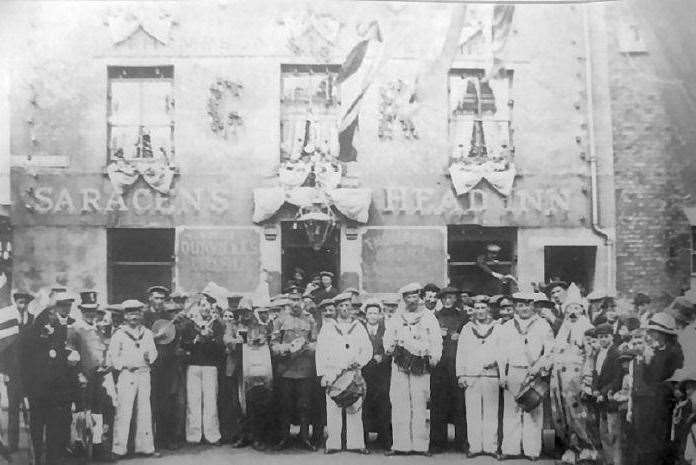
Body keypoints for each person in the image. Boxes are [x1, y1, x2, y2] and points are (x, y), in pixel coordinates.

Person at [20, 291, 81, 465]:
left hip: (55, 391)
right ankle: (37, 458)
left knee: (54, 428)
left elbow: (61, 360)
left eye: (53, 313)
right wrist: (25, 393)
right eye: (49, 313)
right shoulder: (28, 335)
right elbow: (24, 367)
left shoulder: (59, 332)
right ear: (40, 316)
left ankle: (53, 459)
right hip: (36, 392)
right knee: (37, 429)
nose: (53, 316)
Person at [383, 282, 442, 456]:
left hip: (420, 364)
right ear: (404, 299)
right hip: (400, 364)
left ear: (419, 297)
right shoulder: (397, 317)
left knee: (420, 403)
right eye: (408, 297)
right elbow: (388, 338)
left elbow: (436, 340)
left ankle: (421, 446)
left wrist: (434, 358)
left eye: (415, 296)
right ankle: (400, 445)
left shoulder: (429, 317)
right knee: (400, 402)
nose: (412, 300)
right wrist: (390, 347)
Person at [496, 291, 554, 460]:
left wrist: (539, 367)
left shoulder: (543, 325)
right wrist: (502, 374)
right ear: (515, 307)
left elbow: (550, 350)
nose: (524, 308)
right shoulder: (506, 326)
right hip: (513, 371)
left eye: (528, 305)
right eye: (520, 305)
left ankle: (532, 450)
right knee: (511, 411)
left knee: (533, 411)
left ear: (533, 306)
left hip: (533, 372)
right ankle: (511, 449)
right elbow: (500, 352)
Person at [316, 292, 372, 454]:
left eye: (347, 305)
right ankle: (333, 444)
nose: (345, 309)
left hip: (353, 372)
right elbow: (321, 351)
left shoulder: (359, 327)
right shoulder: (328, 327)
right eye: (341, 306)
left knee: (354, 406)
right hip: (333, 372)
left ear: (352, 308)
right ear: (336, 308)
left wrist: (360, 361)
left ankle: (356, 444)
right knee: (333, 407)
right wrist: (324, 374)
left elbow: (367, 349)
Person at [67, 291, 117, 461]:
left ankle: (96, 447)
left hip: (98, 377)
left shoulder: (98, 329)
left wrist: (106, 366)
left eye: (93, 310)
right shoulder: (74, 329)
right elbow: (71, 356)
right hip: (81, 378)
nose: (90, 313)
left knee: (97, 409)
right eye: (87, 310)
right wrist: (79, 374)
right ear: (81, 310)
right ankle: (79, 446)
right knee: (81, 411)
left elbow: (102, 351)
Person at [632, 312, 684, 465]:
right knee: (649, 441)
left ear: (663, 334)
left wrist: (659, 389)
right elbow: (649, 379)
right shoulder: (656, 351)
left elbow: (671, 379)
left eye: (653, 332)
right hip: (653, 403)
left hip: (665, 403)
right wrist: (647, 360)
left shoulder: (674, 352)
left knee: (662, 442)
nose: (650, 335)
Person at [108, 300, 158, 458]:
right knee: (124, 411)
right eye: (130, 313)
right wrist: (124, 364)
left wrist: (150, 356)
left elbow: (154, 353)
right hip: (127, 375)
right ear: (124, 315)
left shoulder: (147, 333)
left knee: (144, 410)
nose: (133, 316)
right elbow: (113, 357)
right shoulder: (119, 334)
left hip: (143, 373)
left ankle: (145, 447)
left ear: (141, 314)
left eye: (136, 312)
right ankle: (119, 449)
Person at [271, 293, 318, 450]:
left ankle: (305, 438)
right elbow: (274, 344)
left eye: (298, 300)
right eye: (292, 300)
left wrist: (307, 346)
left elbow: (316, 342)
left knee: (304, 405)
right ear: (287, 302)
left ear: (303, 301)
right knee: (285, 405)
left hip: (305, 369)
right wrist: (286, 348)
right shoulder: (280, 319)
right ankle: (284, 438)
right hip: (286, 369)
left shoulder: (310, 319)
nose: (295, 303)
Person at [456, 293, 500, 458]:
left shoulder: (498, 327)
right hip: (472, 375)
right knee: (473, 412)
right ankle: (474, 447)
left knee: (491, 412)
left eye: (483, 307)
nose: (480, 311)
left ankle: (491, 447)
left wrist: (495, 363)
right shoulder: (467, 328)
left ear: (488, 309)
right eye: (477, 308)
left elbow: (502, 351)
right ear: (472, 310)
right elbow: (461, 353)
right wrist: (461, 374)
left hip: (491, 374)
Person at [181, 293, 225, 445]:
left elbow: (221, 347)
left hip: (210, 366)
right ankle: (193, 436)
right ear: (198, 307)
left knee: (211, 400)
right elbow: (184, 344)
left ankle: (212, 435)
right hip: (193, 366)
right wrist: (196, 340)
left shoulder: (217, 324)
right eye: (202, 305)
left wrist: (211, 338)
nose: (205, 309)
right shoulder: (189, 324)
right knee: (193, 400)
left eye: (208, 305)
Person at [430, 287, 468, 453]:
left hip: (457, 365)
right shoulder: (434, 317)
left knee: (459, 404)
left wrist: (459, 337)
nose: (447, 300)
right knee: (438, 404)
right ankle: (438, 443)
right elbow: (428, 336)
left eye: (451, 297)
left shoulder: (464, 317)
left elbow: (469, 339)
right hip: (439, 368)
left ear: (456, 299)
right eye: (444, 297)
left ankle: (461, 442)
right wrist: (438, 333)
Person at [3, 290, 34, 453]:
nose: (22, 306)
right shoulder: (9, 322)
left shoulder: (33, 320)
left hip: (29, 373)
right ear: (16, 303)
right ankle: (13, 445)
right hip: (13, 373)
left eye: (25, 303)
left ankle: (33, 444)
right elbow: (3, 349)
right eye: (20, 302)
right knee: (14, 409)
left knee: (31, 408)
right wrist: (5, 371)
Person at [361, 299, 391, 449]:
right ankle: (363, 438)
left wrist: (383, 357)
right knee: (365, 403)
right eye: (370, 313)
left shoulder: (386, 329)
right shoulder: (360, 328)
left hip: (382, 372)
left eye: (375, 313)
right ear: (365, 315)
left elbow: (391, 346)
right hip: (365, 371)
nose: (373, 316)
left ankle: (385, 439)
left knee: (383, 404)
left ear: (380, 315)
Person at [593, 323, 623, 465]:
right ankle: (608, 460)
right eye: (600, 337)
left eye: (606, 336)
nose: (603, 339)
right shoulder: (599, 353)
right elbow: (595, 373)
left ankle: (616, 461)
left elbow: (617, 378)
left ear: (612, 337)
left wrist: (603, 393)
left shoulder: (616, 353)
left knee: (614, 433)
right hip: (600, 398)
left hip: (611, 397)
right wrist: (594, 389)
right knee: (603, 431)